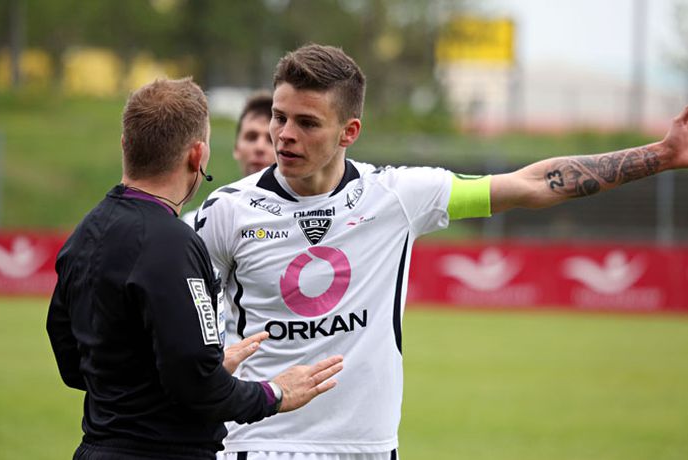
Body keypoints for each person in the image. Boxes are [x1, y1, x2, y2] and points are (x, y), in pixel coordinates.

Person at [194, 44, 688, 459]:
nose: (284, 134)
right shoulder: (227, 211)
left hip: (366, 446)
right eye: (280, 117)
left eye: (307, 123)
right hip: (258, 442)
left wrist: (663, 155)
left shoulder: (397, 197)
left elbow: (532, 184)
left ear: (349, 132)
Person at [46, 77, 343, 460]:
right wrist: (277, 393)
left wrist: (195, 368)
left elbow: (73, 363)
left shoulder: (84, 233)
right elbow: (200, 387)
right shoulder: (174, 243)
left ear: (125, 144)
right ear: (197, 155)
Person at [182, 91, 276, 227]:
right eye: (251, 137)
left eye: (270, 140)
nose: (259, 147)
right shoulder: (202, 222)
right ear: (236, 147)